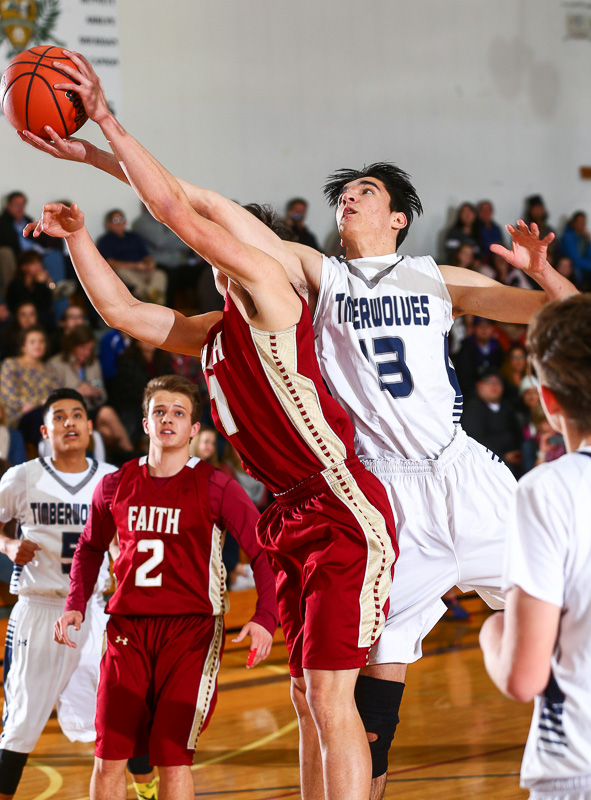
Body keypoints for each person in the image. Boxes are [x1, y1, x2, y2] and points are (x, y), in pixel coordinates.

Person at [20, 50, 577, 799]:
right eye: (341, 193)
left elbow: (561, 318)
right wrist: (95, 156)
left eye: (365, 190)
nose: (347, 198)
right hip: (380, 491)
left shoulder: (433, 278)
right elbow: (187, 207)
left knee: (570, 618)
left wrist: (542, 271)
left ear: (400, 217)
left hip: (454, 474)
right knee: (358, 701)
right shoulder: (315, 276)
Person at [26, 56, 399, 800]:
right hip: (288, 510)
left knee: (333, 698)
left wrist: (105, 123)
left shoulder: (274, 292)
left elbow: (175, 208)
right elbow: (123, 312)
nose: (217, 243)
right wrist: (76, 237)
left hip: (339, 504)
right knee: (305, 697)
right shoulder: (216, 330)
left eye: (229, 233)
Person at [54, 375, 278, 800]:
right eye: (159, 411)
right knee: (108, 756)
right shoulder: (115, 484)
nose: (168, 419)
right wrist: (75, 603)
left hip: (191, 633)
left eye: (178, 412)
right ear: (145, 423)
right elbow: (89, 547)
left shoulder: (216, 485)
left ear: (194, 428)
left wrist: (266, 617)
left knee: (173, 758)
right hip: (127, 630)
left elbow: (264, 550)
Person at [479, 294, 591, 800]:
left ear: (547, 400)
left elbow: (523, 677)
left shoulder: (549, 489)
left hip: (576, 764)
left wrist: (493, 631)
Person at [0, 388, 117, 800]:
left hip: (95, 610)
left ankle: (147, 790)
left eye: (77, 415)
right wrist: (8, 545)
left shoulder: (112, 479)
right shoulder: (22, 476)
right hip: (41, 608)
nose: (70, 422)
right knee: (22, 723)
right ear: (45, 431)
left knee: (121, 715)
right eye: (60, 417)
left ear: (90, 426)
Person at [0, 326, 59, 446]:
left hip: (45, 412)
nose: (38, 345)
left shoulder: (50, 369)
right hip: (17, 416)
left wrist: (35, 404)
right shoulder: (10, 365)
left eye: (41, 341)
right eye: (32, 342)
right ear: (23, 346)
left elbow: (56, 396)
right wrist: (40, 402)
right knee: (43, 415)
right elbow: (11, 399)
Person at [97, 209, 167, 305]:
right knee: (121, 272)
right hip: (126, 272)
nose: (119, 223)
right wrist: (134, 266)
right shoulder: (105, 241)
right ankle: (149, 297)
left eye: (121, 219)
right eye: (115, 220)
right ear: (109, 224)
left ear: (125, 222)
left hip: (142, 270)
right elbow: (109, 262)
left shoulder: (134, 237)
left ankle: (151, 293)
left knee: (160, 274)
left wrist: (150, 263)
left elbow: (146, 255)